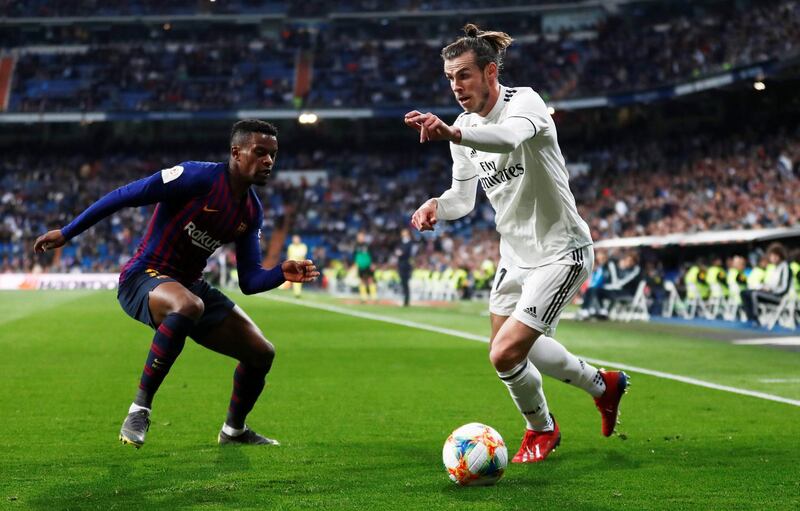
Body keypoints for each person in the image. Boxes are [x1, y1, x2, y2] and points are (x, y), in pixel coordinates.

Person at [404, 24, 627, 464]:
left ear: (490, 72)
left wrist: (451, 134)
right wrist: (436, 204)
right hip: (515, 257)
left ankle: (542, 429)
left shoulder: (524, 102)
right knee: (511, 351)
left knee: (505, 353)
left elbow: (507, 138)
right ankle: (604, 385)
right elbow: (463, 200)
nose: (456, 86)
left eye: (464, 75)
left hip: (561, 252)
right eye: (450, 78)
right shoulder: (464, 129)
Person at [33, 120, 319, 448]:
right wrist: (68, 232)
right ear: (236, 153)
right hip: (143, 277)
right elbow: (125, 195)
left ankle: (234, 431)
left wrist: (281, 271)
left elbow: (250, 281)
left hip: (190, 286)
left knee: (261, 353)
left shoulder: (251, 212)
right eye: (260, 152)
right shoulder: (196, 177)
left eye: (273, 155)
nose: (269, 161)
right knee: (187, 305)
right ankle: (139, 409)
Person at [741, 243, 792, 327]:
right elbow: (771, 283)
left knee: (754, 294)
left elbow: (784, 288)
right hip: (770, 292)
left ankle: (755, 319)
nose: (773, 258)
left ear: (780, 256)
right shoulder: (775, 268)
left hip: (779, 296)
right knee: (745, 292)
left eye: (776, 256)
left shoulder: (785, 267)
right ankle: (749, 318)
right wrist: (764, 287)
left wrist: (771, 290)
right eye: (772, 256)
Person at [353, 231, 377, 303]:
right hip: (360, 265)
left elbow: (373, 254)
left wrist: (373, 263)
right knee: (362, 280)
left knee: (370, 279)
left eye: (362, 237)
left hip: (368, 265)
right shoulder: (356, 246)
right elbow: (354, 256)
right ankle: (363, 298)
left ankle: (374, 297)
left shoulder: (368, 245)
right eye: (359, 237)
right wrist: (355, 263)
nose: (360, 238)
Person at [395, 228, 415, 306]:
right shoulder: (401, 242)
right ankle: (405, 299)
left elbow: (405, 252)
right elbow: (398, 250)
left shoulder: (409, 242)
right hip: (401, 263)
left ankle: (406, 300)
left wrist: (401, 253)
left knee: (405, 282)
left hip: (406, 264)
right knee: (403, 282)